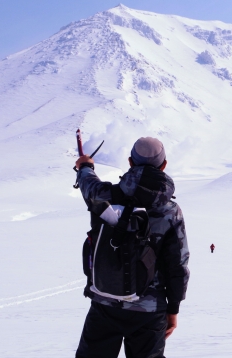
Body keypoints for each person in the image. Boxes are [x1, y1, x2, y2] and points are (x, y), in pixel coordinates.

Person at [74, 136, 190, 358]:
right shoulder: (170, 211)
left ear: (130, 162)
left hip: (105, 301)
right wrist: (173, 308)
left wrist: (85, 166)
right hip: (150, 309)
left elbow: (88, 185)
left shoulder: (104, 196)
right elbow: (178, 265)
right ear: (164, 165)